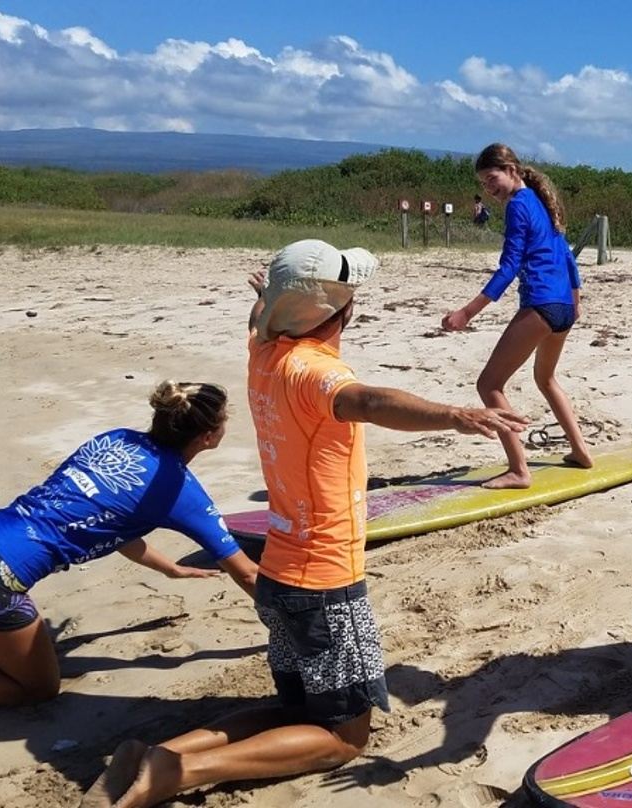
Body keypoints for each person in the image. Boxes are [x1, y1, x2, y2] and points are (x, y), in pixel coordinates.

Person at [83, 239, 528, 808]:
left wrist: (267, 301)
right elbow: (366, 401)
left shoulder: (263, 355)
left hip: (279, 572)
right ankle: (173, 775)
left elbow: (261, 326)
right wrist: (457, 416)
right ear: (342, 311)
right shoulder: (312, 371)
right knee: (343, 736)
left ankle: (155, 752)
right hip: (324, 583)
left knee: (299, 709)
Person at [0, 382, 258, 708]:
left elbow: (111, 522)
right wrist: (295, 624)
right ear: (208, 437)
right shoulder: (182, 494)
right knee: (37, 688)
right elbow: (248, 574)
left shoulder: (115, 439)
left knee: (13, 658)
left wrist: (168, 568)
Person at [441, 143, 594, 489]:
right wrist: (575, 301)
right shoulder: (543, 203)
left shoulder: (518, 207)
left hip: (541, 305)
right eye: (483, 183)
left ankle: (519, 470)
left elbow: (509, 267)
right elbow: (568, 259)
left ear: (511, 170)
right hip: (562, 310)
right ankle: (581, 451)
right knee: (546, 379)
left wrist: (467, 312)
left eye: (491, 178)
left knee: (489, 384)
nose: (488, 188)